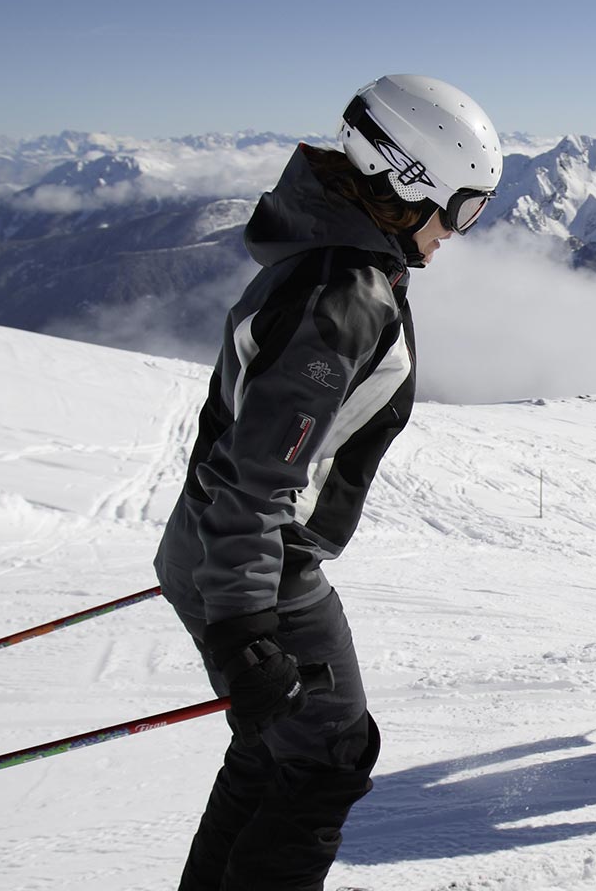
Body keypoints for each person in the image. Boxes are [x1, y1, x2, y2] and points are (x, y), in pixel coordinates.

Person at [153, 74, 501, 891]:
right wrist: (244, 630)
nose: (459, 231)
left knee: (277, 750)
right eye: (463, 208)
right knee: (327, 762)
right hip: (259, 570)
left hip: (216, 552)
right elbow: (259, 480)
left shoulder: (327, 259)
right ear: (410, 183)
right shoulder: (340, 298)